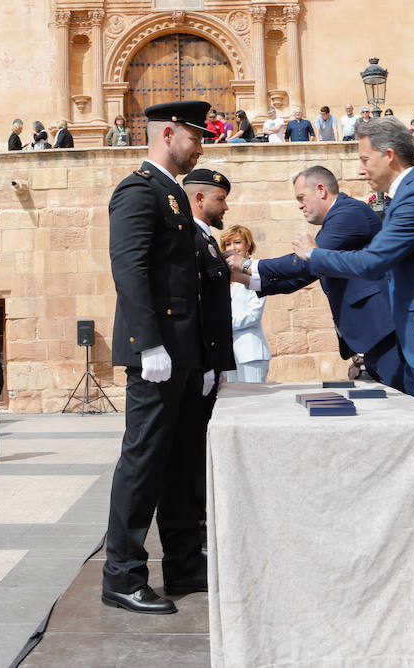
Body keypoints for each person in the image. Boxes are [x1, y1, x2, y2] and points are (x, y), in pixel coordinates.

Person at [102, 100, 213, 616]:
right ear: (168, 133)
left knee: (183, 463)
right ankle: (122, 573)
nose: (201, 145)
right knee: (144, 461)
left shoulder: (172, 195)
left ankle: (185, 563)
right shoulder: (138, 190)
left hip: (184, 353)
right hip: (158, 354)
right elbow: (130, 270)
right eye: (196, 136)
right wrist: (147, 343)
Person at [291, 116, 414, 420]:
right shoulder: (405, 195)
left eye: (364, 159)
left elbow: (373, 263)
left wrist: (314, 254)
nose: (361, 169)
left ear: (389, 155)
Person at [232, 165, 405, 389]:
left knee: (405, 400)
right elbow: (304, 275)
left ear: (321, 190)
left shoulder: (348, 213)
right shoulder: (335, 220)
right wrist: (244, 278)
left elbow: (302, 265)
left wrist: (247, 264)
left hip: (381, 328)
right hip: (373, 334)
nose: (300, 205)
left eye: (302, 197)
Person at [181, 167, 236, 557]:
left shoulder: (207, 240)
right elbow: (194, 307)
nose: (226, 206)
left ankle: (199, 522)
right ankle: (193, 528)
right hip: (198, 363)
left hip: (210, 363)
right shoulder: (190, 239)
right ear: (200, 199)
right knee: (189, 451)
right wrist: (203, 363)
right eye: (220, 198)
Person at [220, 224, 269, 382]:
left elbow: (254, 315)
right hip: (231, 354)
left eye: (237, 242)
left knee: (254, 402)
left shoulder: (255, 270)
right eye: (228, 244)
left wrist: (226, 324)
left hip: (250, 351)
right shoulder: (225, 276)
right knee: (236, 402)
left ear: (248, 244)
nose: (232, 247)